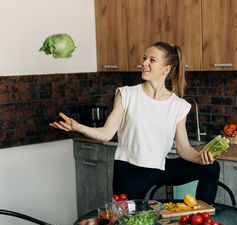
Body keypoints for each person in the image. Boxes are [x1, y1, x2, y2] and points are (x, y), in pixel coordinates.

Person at [50, 41, 220, 204]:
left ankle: (202, 217)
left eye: (152, 60)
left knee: (211, 168)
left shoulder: (178, 106)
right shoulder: (127, 94)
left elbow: (184, 149)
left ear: (165, 69)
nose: (144, 63)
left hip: (160, 167)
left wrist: (202, 158)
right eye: (144, 58)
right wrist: (78, 127)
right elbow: (106, 134)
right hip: (129, 171)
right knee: (126, 223)